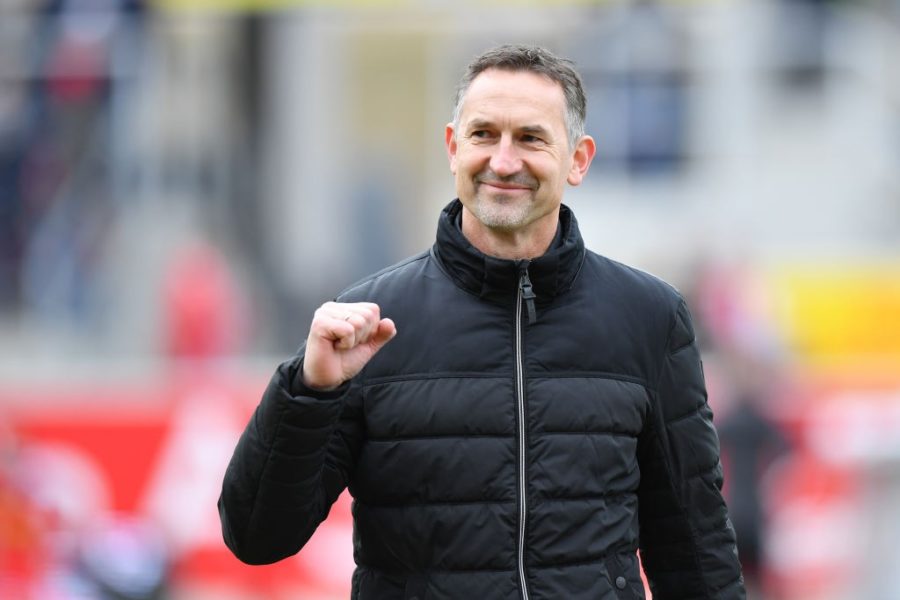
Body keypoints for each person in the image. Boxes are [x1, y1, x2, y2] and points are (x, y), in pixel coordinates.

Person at [219, 44, 745, 599]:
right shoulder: (369, 325)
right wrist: (309, 390)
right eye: (483, 134)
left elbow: (695, 549)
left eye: (531, 138)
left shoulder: (649, 316)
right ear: (452, 147)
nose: (503, 160)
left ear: (579, 159)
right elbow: (257, 536)